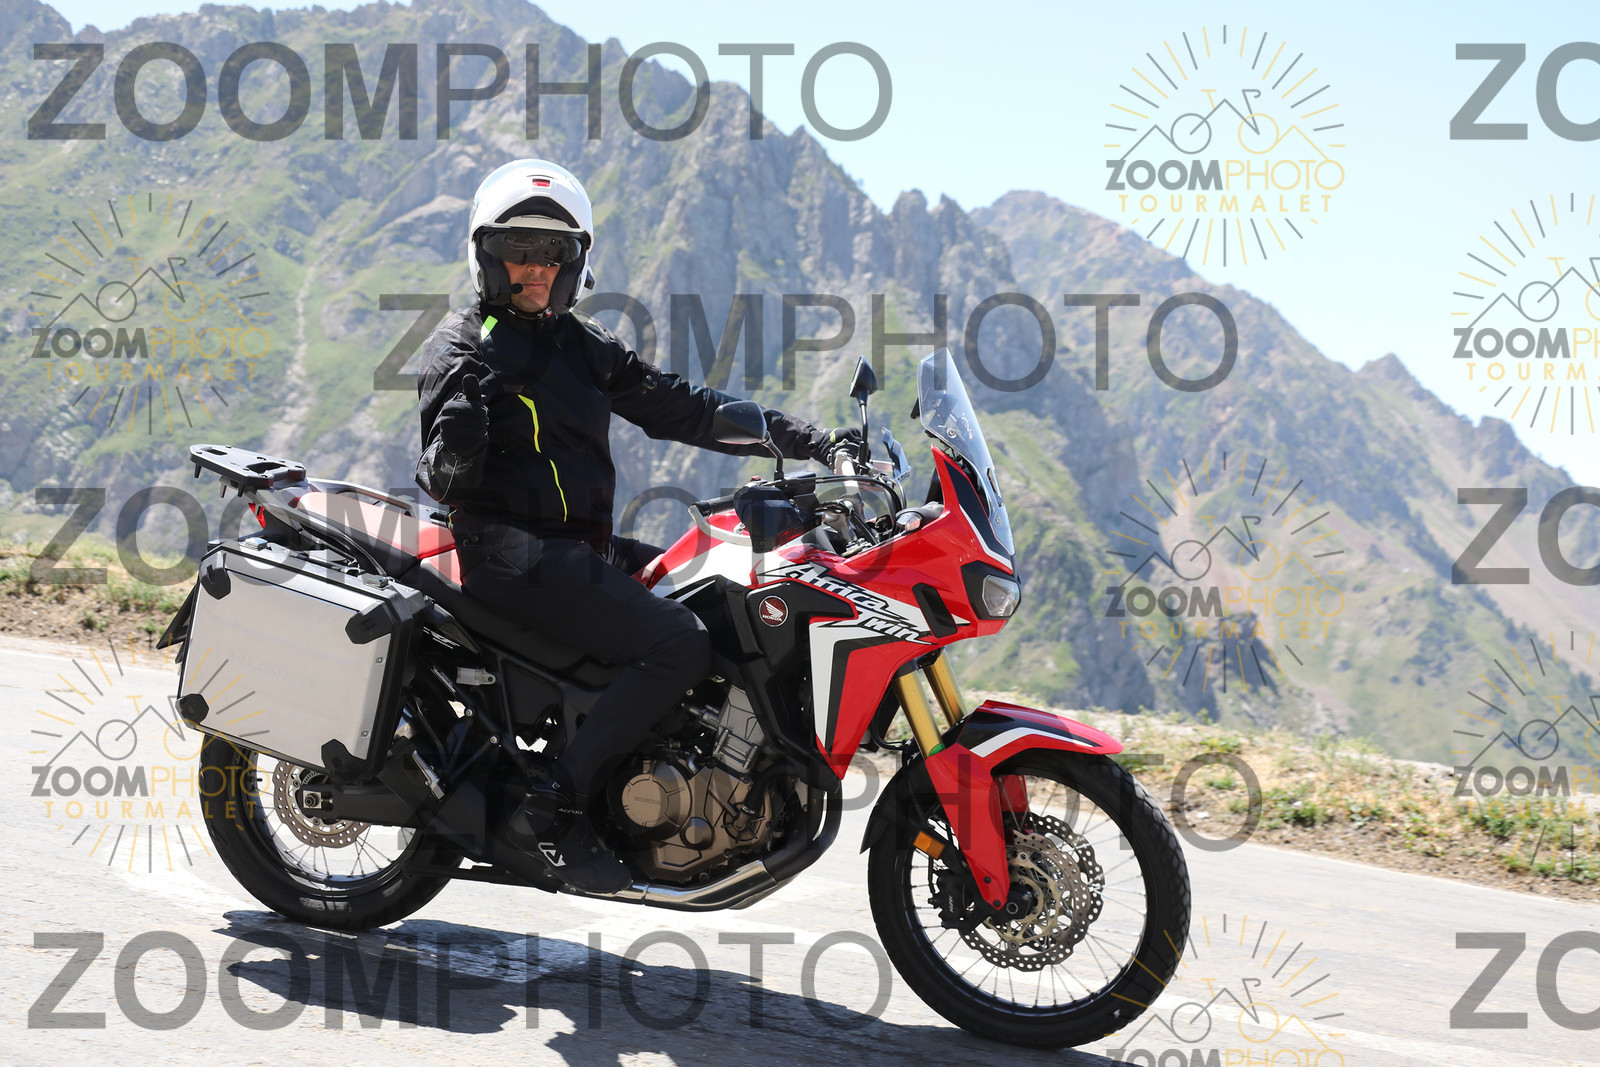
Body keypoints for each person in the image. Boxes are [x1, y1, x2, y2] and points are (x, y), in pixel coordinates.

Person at [414, 159, 859, 893]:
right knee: (674, 642)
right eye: (519, 249)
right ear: (486, 255)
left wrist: (810, 439)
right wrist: (459, 438)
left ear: (575, 263)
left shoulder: (579, 344)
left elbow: (685, 406)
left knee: (715, 598)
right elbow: (443, 478)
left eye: (555, 252)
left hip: (577, 548)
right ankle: (556, 807)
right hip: (510, 554)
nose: (537, 267)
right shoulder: (461, 349)